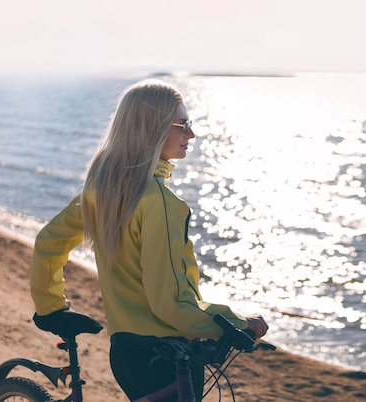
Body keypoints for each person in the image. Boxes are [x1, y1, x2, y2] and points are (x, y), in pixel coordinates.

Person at [29, 79, 269, 401]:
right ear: (152, 129)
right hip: (166, 358)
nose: (191, 134)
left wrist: (49, 307)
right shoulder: (160, 203)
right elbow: (169, 302)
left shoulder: (104, 189)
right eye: (182, 125)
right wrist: (237, 323)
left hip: (126, 354)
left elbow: (49, 241)